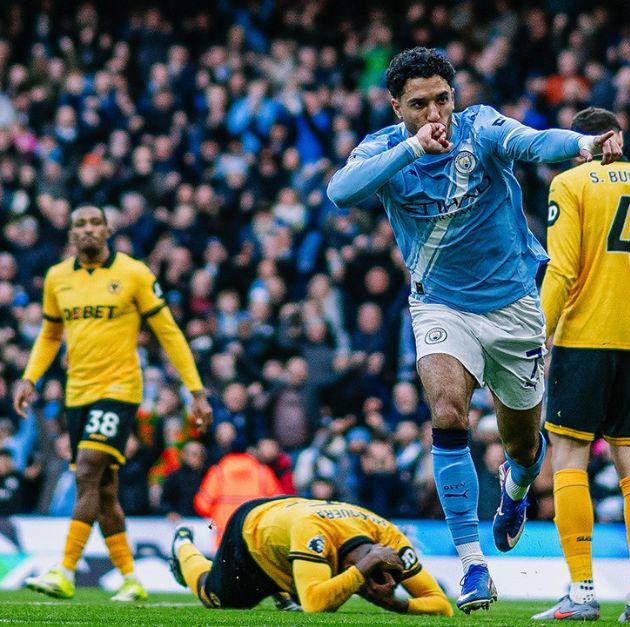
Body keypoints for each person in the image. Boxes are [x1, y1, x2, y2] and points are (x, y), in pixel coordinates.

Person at [327, 47, 621, 613]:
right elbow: (341, 192)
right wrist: (413, 147)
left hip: (513, 307)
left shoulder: (480, 128)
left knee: (523, 445)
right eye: (419, 104)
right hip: (439, 305)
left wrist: (582, 145)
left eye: (443, 99)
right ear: (396, 106)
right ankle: (472, 565)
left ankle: (516, 487)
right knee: (447, 412)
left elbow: (534, 142)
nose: (435, 112)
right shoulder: (385, 149)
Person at [14, 205, 212, 601]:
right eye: (80, 224)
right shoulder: (57, 278)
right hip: (77, 393)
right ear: (71, 233)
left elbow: (169, 332)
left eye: (95, 223)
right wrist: (29, 377)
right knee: (103, 489)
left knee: (87, 468)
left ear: (107, 229)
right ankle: (130, 577)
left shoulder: (134, 273)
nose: (87, 229)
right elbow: (50, 335)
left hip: (120, 390)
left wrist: (196, 390)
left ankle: (65, 570)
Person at [532, 108, 630, 622]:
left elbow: (562, 269)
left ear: (583, 142)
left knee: (570, 461)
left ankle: (583, 591)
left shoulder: (570, 184)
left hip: (584, 339)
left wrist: (538, 335)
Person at [168, 496, 453, 616]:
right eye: (368, 584)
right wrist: (364, 568)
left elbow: (442, 605)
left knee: (319, 580)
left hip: (292, 517)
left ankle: (285, 589)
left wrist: (397, 604)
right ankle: (183, 546)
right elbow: (315, 604)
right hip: (253, 531)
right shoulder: (315, 534)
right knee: (215, 598)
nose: (365, 592)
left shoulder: (392, 539)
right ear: (354, 565)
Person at [193, 444, 281, 547]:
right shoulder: (263, 472)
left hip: (223, 539)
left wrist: (215, 515)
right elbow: (278, 504)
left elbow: (202, 504)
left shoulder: (218, 472)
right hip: (255, 539)